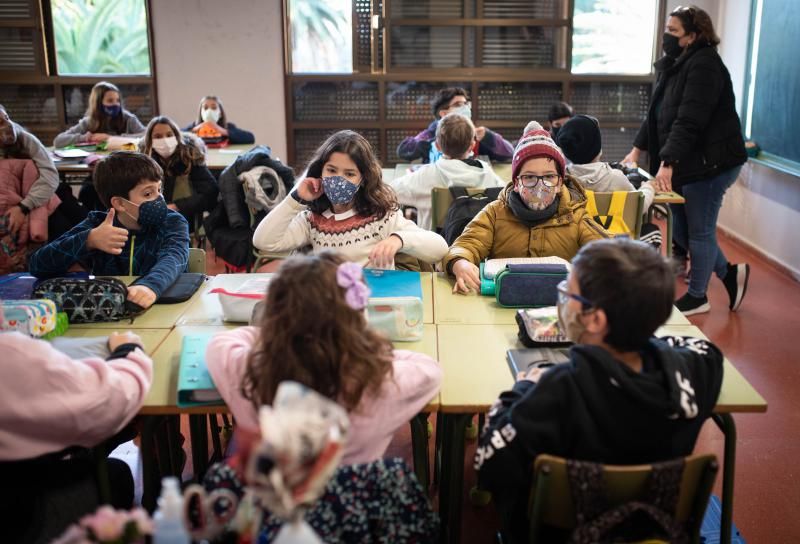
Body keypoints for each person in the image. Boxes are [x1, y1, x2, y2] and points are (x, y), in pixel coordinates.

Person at [474, 238, 724, 543]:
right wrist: (641, 337)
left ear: (595, 319)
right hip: (656, 530)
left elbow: (488, 466)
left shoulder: (558, 390)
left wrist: (524, 385)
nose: (562, 299)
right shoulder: (695, 371)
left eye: (568, 292)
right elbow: (703, 349)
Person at [205, 251, 442, 465]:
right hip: (351, 509)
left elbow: (220, 343)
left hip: (271, 508)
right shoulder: (380, 382)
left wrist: (278, 335)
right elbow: (430, 369)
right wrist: (364, 347)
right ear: (358, 318)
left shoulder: (250, 372)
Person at [622, 5, 749, 316]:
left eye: (674, 31)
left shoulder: (705, 66)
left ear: (693, 36)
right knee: (680, 227)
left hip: (711, 164)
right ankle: (729, 273)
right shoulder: (676, 64)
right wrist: (637, 150)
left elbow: (689, 120)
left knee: (700, 231)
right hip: (687, 162)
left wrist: (667, 163)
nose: (667, 36)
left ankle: (698, 296)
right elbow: (657, 114)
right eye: (667, 29)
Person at [0, 325, 153, 542]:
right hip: (21, 521)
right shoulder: (11, 353)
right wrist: (129, 350)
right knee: (115, 475)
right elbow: (114, 396)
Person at [444, 123, 608, 294]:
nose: (540, 185)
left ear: (560, 182)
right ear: (516, 183)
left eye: (549, 176)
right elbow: (467, 243)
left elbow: (607, 251)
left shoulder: (576, 216)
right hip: (503, 300)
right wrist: (459, 262)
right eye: (529, 177)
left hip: (557, 304)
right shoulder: (495, 212)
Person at [253, 130, 448, 269]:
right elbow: (264, 241)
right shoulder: (312, 220)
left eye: (349, 174)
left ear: (362, 179)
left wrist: (398, 239)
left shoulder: (380, 216)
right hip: (333, 308)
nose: (339, 179)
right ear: (320, 170)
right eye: (331, 170)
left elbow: (439, 248)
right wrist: (295, 198)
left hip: (375, 305)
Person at [28, 151, 190, 310]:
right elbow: (37, 265)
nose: (159, 198)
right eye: (148, 193)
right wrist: (88, 240)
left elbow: (174, 256)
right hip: (111, 310)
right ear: (120, 203)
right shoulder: (98, 224)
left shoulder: (173, 221)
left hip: (163, 306)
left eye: (159, 189)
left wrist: (150, 286)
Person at [557, 114, 660, 246]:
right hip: (617, 245)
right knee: (651, 230)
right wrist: (648, 187)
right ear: (597, 147)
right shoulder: (616, 178)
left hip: (576, 246)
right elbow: (640, 206)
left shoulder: (562, 181)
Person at [390, 112, 504, 230]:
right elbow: (505, 197)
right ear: (472, 145)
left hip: (434, 246)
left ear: (438, 146)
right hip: (476, 245)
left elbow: (390, 192)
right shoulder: (487, 173)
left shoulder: (426, 175)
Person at [139, 116, 218, 232]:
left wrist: (176, 206)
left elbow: (210, 193)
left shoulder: (190, 157)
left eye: (169, 135)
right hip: (151, 216)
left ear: (176, 136)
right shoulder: (144, 162)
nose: (165, 140)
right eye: (157, 137)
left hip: (184, 216)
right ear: (149, 141)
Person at [396, 87, 514, 164]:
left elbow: (509, 153)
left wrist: (488, 137)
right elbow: (404, 150)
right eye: (458, 104)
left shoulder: (475, 134)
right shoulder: (431, 133)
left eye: (466, 104)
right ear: (444, 113)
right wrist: (443, 139)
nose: (465, 108)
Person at [53, 81, 145, 148]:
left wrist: (111, 138)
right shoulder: (88, 122)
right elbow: (58, 141)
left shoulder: (129, 119)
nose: (116, 104)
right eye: (110, 101)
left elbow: (146, 136)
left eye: (117, 100)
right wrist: (85, 138)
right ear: (98, 103)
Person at [184, 95, 255, 145]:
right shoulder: (194, 127)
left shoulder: (227, 127)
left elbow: (250, 138)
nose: (209, 111)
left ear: (220, 113)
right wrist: (193, 131)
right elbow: (177, 136)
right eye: (205, 108)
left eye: (213, 108)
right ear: (201, 112)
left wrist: (222, 131)